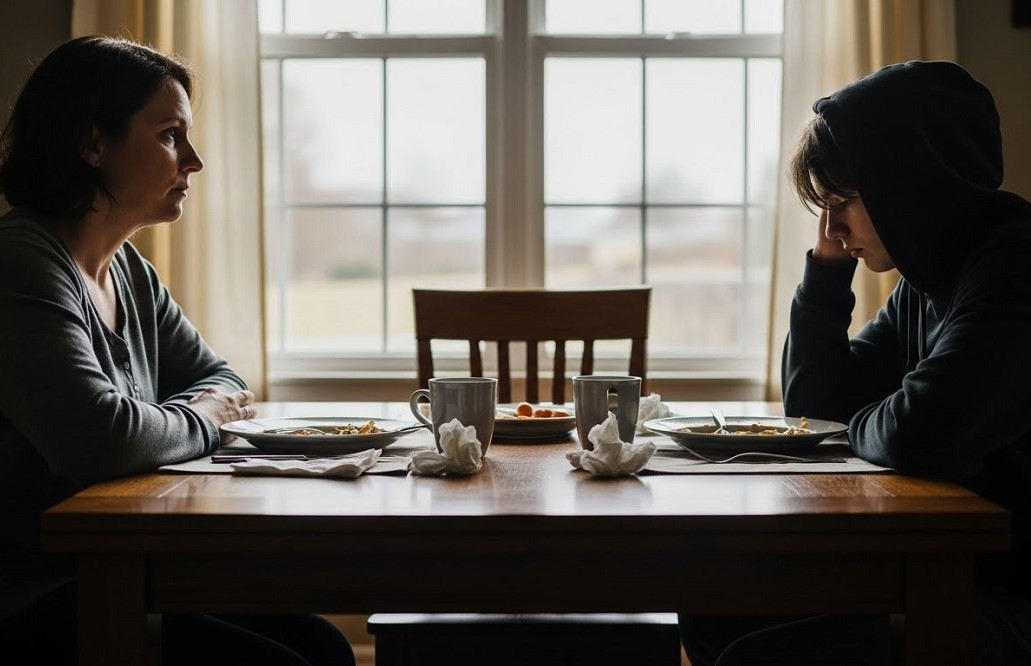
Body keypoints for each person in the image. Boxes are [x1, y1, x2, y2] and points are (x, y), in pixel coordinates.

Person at [0, 36, 355, 665]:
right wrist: (205, 416)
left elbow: (222, 376)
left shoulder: (128, 269)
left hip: (116, 564)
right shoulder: (21, 261)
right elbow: (102, 438)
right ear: (92, 144)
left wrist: (180, 415)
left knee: (322, 645)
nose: (193, 160)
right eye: (170, 134)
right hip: (34, 587)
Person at [680, 61, 1031, 665]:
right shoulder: (927, 280)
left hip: (1011, 589)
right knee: (713, 600)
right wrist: (825, 274)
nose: (834, 228)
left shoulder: (1015, 266)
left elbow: (923, 431)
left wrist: (865, 422)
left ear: (911, 186)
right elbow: (815, 409)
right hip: (952, 562)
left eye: (845, 201)